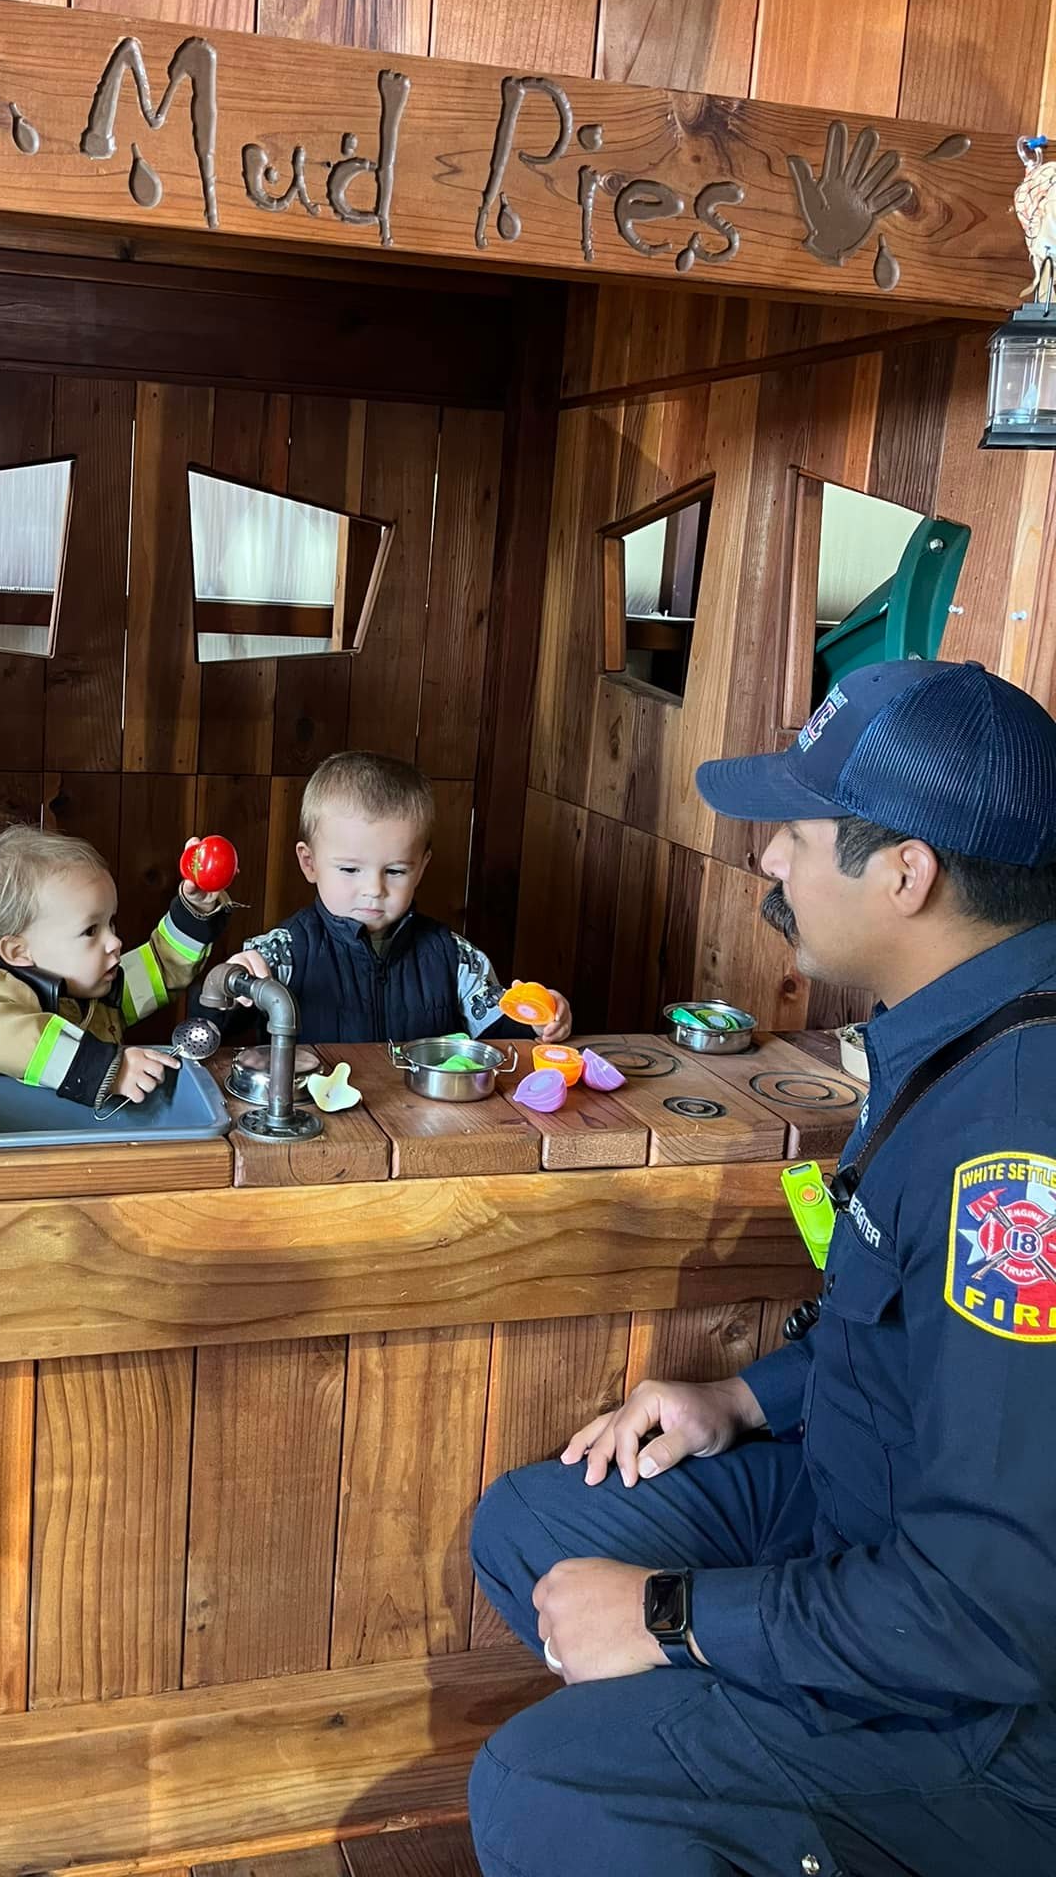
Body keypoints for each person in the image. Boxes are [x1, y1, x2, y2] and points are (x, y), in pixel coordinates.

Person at [467, 659, 1056, 1877]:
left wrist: (677, 1623)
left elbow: (993, 1606)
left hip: (993, 1703)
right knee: (537, 1521)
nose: (769, 862)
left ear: (908, 873)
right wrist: (739, 1399)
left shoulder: (1018, 1142)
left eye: (792, 833)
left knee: (544, 1783)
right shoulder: (958, 1022)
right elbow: (901, 1335)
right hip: (862, 1511)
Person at [210, 751, 573, 1045]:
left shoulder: (455, 957)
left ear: (421, 867)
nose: (374, 889)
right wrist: (227, 981)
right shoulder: (280, 952)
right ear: (310, 863)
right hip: (314, 1123)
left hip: (427, 1127)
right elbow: (208, 1030)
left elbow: (500, 1035)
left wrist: (540, 1022)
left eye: (395, 871)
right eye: (350, 870)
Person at [0, 826, 232, 1107]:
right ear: (18, 950)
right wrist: (107, 1069)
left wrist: (195, 912)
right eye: (90, 931)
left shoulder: (100, 990)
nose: (115, 942)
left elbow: (162, 967)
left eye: (111, 923)